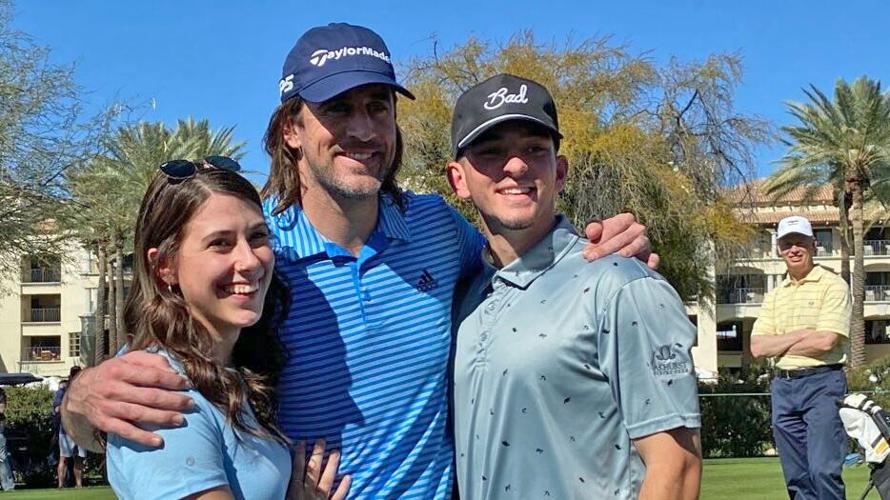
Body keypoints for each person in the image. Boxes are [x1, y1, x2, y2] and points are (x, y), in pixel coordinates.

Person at [62, 23, 655, 498]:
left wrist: (603, 250)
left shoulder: (439, 230)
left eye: (378, 107)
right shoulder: (256, 251)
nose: (364, 129)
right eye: (338, 110)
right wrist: (79, 401)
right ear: (291, 129)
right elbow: (175, 361)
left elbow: (529, 264)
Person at [448, 74, 702, 499]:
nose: (515, 166)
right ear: (458, 180)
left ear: (559, 170)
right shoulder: (466, 294)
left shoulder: (622, 286)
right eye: (491, 153)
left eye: (534, 149)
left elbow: (676, 467)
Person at [104, 157, 349, 499]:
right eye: (220, 243)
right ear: (164, 266)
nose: (249, 261)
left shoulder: (229, 374)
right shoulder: (162, 397)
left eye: (257, 236)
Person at [751, 215, 850, 499]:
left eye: (800, 243)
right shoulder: (775, 294)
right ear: (779, 249)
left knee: (823, 472)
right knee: (797, 478)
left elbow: (825, 340)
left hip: (823, 384)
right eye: (787, 244)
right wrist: (801, 334)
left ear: (813, 245)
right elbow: (757, 347)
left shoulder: (833, 285)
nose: (794, 249)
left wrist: (779, 343)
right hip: (784, 388)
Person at [54, 366, 86, 488]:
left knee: (79, 458)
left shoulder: (84, 390)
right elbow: (57, 409)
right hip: (66, 430)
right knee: (64, 458)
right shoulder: (63, 391)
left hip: (81, 429)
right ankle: (60, 485)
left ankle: (79, 485)